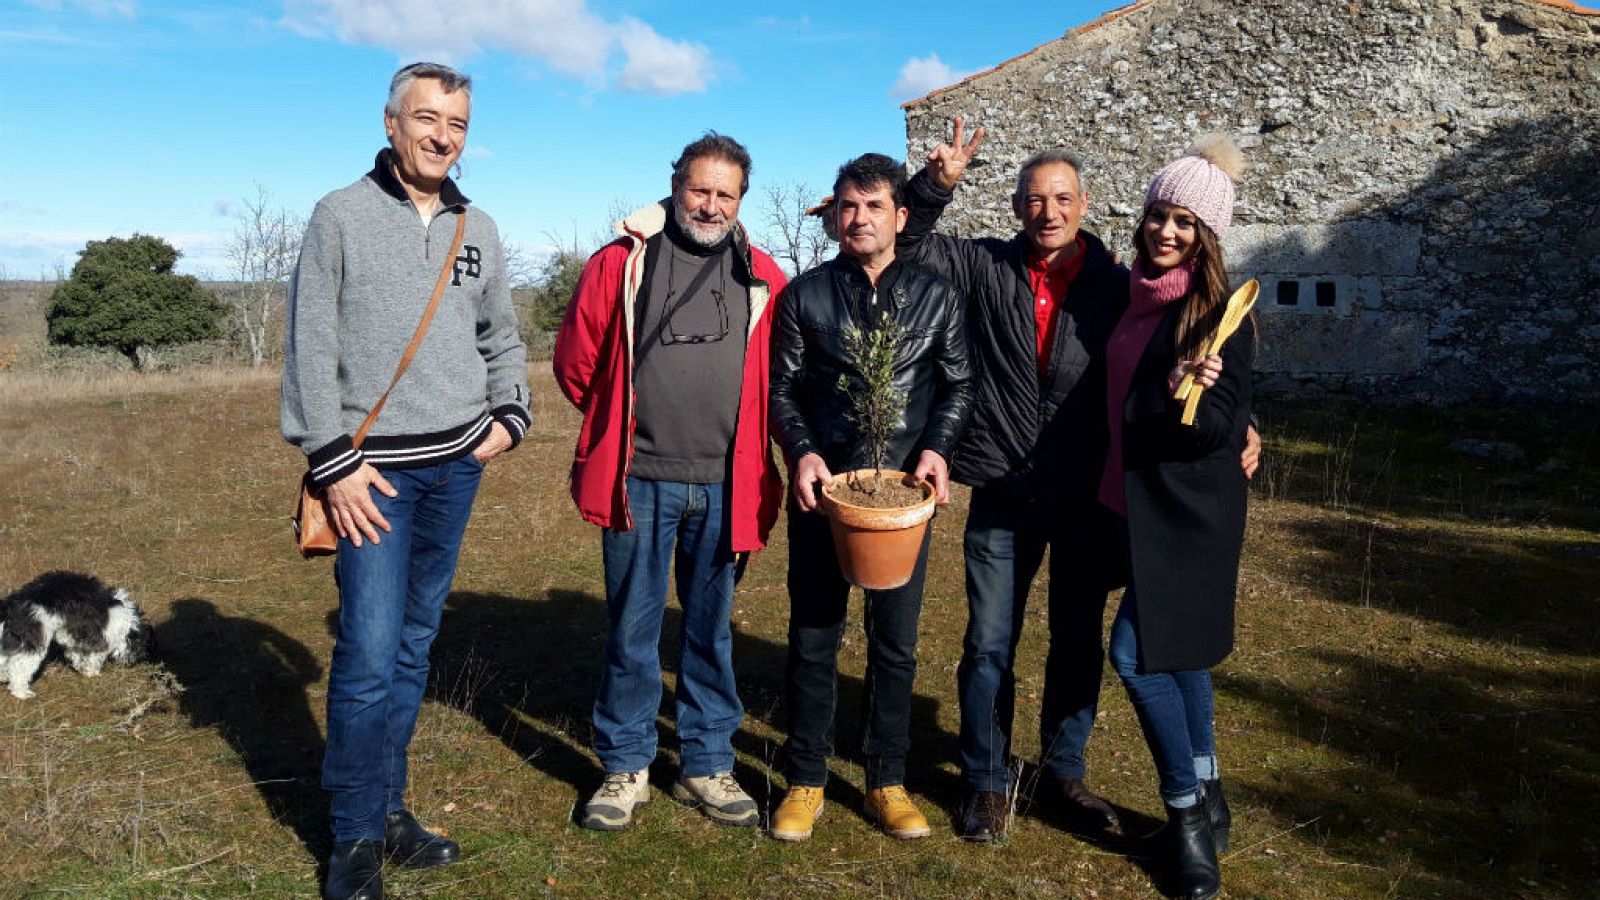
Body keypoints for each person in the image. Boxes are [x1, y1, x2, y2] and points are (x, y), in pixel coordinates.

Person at [898, 119, 1259, 841]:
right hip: (1002, 485)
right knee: (988, 644)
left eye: (1062, 197)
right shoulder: (983, 267)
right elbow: (908, 247)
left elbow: (1191, 356)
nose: (1049, 211)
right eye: (1034, 199)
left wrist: (1242, 421)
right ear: (1015, 207)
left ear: (1085, 204)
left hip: (1086, 495)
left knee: (1075, 641)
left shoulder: (1122, 288)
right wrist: (933, 188)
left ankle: (1063, 773)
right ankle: (986, 781)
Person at [281, 62, 531, 900]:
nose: (442, 135)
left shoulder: (478, 227)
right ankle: (353, 837)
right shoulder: (339, 217)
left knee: (416, 643)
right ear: (391, 123)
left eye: (456, 123)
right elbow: (310, 348)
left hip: (456, 467)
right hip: (371, 477)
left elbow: (501, 336)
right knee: (366, 654)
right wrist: (333, 461)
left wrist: (510, 414)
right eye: (426, 118)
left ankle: (390, 811)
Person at [553, 133, 788, 832]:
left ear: (741, 201)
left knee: (710, 631)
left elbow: (778, 382)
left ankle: (707, 763)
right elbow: (577, 365)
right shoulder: (620, 265)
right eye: (700, 189)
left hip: (726, 485)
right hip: (639, 482)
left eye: (725, 194)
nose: (710, 205)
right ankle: (625, 765)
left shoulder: (765, 277)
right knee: (632, 628)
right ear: (676, 184)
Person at [768, 153, 974, 842]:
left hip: (902, 499)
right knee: (814, 637)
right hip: (824, 495)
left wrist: (938, 451)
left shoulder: (936, 295)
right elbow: (783, 389)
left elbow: (958, 385)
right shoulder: (805, 296)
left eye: (874, 206)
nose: (858, 219)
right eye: (848, 207)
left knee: (895, 646)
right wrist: (802, 452)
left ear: (900, 216)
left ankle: (887, 780)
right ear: (834, 215)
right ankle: (806, 778)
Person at [1100, 137, 1252, 900]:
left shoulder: (1218, 315)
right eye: (1159, 215)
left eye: (1185, 223)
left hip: (1191, 517)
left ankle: (1188, 820)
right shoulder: (1135, 297)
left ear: (1207, 236)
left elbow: (1220, 426)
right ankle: (1213, 795)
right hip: (1137, 506)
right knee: (1183, 657)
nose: (1166, 232)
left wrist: (1190, 391)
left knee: (1133, 656)